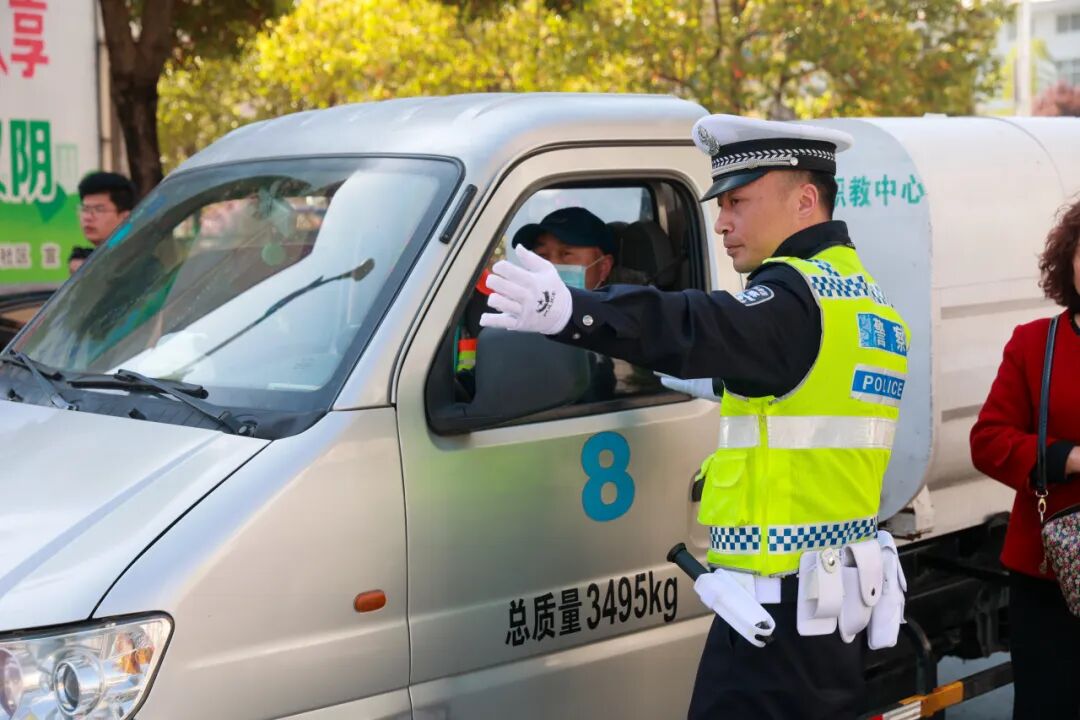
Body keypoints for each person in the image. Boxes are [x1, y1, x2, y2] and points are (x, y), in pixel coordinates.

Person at [480, 114, 911, 719]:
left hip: (777, 620)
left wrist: (572, 310)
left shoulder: (791, 299)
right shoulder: (861, 298)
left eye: (738, 201)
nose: (721, 222)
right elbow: (790, 386)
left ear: (804, 201)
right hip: (830, 606)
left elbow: (695, 321)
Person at [970, 196, 1080, 720]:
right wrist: (1069, 459)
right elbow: (988, 440)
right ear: (1069, 259)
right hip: (1050, 571)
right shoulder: (1037, 343)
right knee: (1048, 706)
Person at [69, 171, 136, 273]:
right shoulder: (86, 261)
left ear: (125, 217)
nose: (88, 217)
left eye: (99, 209)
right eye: (85, 209)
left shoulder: (139, 263)